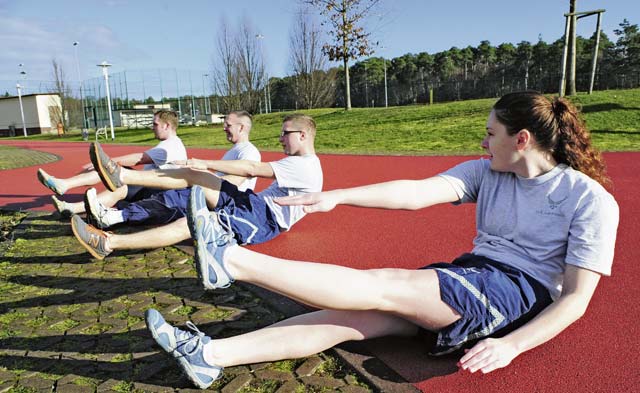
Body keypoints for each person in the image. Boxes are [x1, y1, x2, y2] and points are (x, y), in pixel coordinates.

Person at [142, 91, 619, 390]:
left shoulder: (588, 199)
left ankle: (231, 260)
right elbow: (414, 194)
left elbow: (576, 300)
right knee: (346, 320)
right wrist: (335, 197)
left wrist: (512, 346)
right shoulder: (486, 172)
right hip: (471, 274)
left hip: (517, 295)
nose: (481, 142)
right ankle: (207, 356)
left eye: (489, 133)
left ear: (521, 140)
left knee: (386, 283)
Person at [70, 114, 323, 261]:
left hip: (263, 219)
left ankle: (109, 243)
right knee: (194, 175)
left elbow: (252, 169)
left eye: (285, 133)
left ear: (303, 135)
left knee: (191, 223)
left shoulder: (306, 166)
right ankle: (122, 177)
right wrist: (201, 168)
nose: (280, 138)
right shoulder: (298, 161)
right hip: (252, 202)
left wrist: (205, 162)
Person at [82, 110, 261, 229]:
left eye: (228, 125)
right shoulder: (234, 151)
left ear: (242, 127)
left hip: (225, 205)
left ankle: (115, 212)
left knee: (172, 199)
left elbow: (233, 183)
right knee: (169, 195)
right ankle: (113, 213)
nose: (224, 128)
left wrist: (202, 177)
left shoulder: (250, 152)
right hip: (214, 197)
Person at [38, 110, 187, 217]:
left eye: (155, 124)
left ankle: (69, 198)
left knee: (115, 176)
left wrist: (108, 161)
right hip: (151, 186)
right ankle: (66, 192)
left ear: (166, 125)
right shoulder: (170, 144)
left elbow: (139, 158)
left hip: (158, 192)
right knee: (111, 171)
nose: (152, 128)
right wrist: (105, 163)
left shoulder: (170, 146)